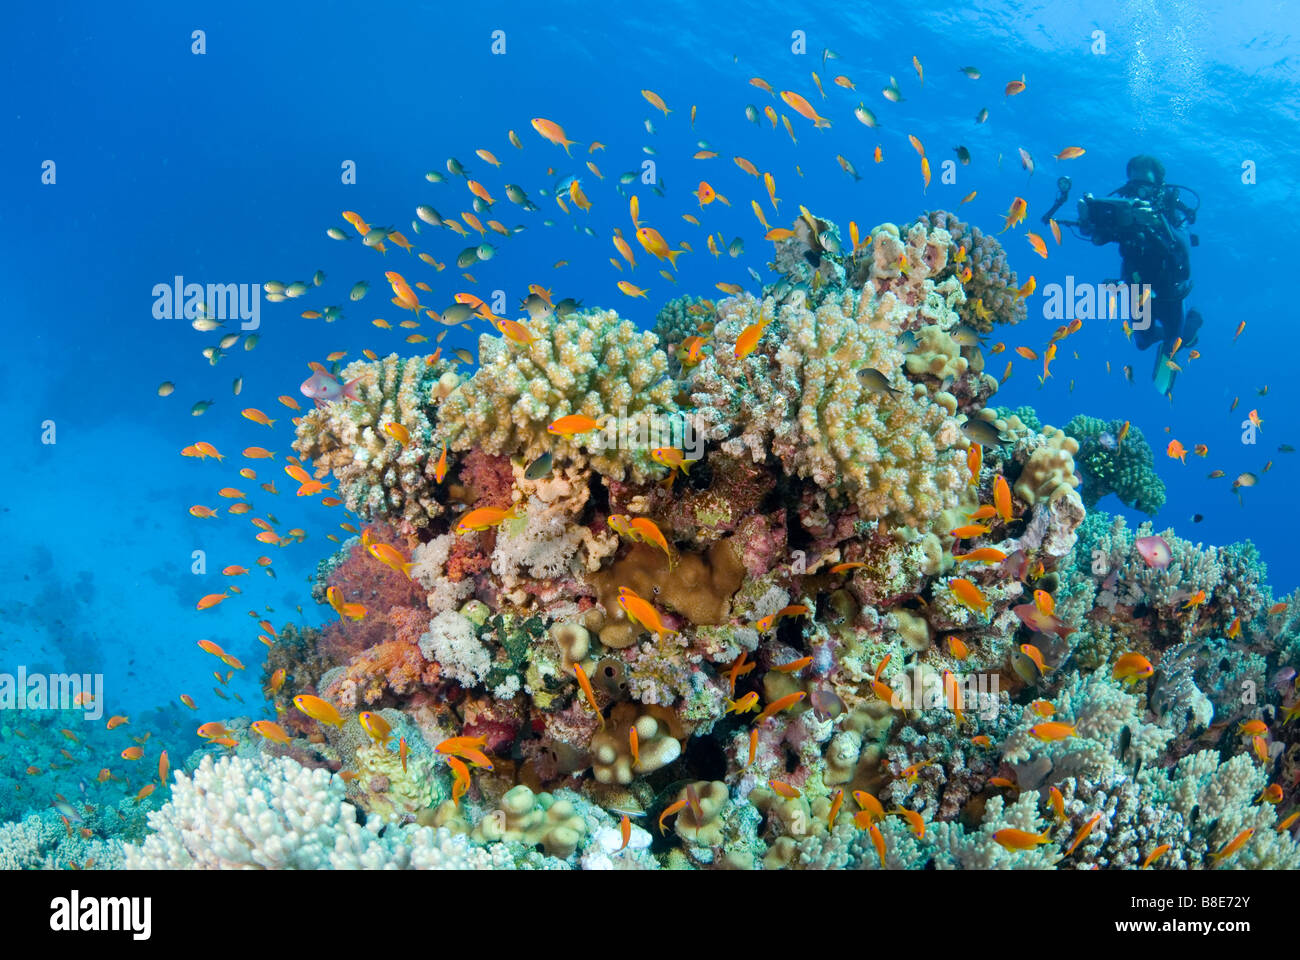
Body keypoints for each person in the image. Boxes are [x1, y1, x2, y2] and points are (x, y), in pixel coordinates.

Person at [1045, 156, 1201, 394]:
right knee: (1142, 342)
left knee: (1176, 340)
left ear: (1158, 186)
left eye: (1145, 184)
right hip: (1136, 286)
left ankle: (1189, 327)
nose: (1138, 190)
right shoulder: (1124, 210)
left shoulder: (1170, 211)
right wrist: (1087, 218)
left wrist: (1158, 222)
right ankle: (1169, 333)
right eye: (1133, 183)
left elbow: (1184, 252)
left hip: (1169, 289)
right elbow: (1096, 236)